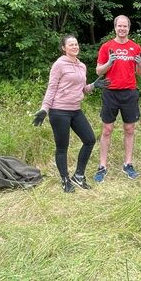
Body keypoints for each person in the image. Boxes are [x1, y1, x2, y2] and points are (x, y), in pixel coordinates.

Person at [32, 35, 109, 193]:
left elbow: (81, 89)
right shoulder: (59, 65)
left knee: (89, 139)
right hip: (59, 111)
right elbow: (52, 88)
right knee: (62, 147)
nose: (75, 46)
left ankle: (78, 176)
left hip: (75, 109)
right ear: (64, 48)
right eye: (71, 45)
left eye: (76, 44)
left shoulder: (81, 66)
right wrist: (44, 109)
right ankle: (65, 179)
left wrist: (94, 85)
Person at [94, 15, 141, 182]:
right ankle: (102, 166)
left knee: (129, 129)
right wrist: (109, 62)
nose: (122, 29)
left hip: (129, 92)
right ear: (115, 27)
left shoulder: (136, 48)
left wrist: (140, 64)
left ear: (129, 28)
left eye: (125, 26)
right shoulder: (106, 47)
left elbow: (140, 73)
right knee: (107, 129)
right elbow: (99, 72)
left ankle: (128, 164)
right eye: (119, 26)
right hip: (110, 92)